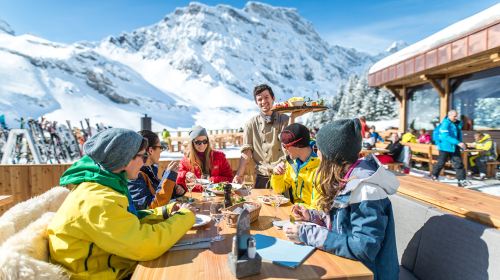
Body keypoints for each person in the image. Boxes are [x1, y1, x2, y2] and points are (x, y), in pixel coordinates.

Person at [47, 128, 195, 279]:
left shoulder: (103, 185)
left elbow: (128, 218)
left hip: (111, 266)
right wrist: (184, 217)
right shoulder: (98, 200)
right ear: (125, 159)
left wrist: (165, 212)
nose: (144, 162)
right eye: (143, 156)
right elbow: (143, 245)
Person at [284, 119, 399, 280]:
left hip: (368, 274)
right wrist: (313, 217)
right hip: (347, 268)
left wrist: (310, 235)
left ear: (332, 157)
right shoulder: (347, 181)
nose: (316, 153)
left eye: (318, 149)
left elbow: (364, 248)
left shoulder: (366, 190)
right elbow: (342, 223)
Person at [233, 84, 302, 188]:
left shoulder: (285, 120)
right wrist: (239, 174)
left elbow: (290, 147)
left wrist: (293, 117)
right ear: (256, 103)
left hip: (283, 175)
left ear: (273, 98)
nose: (263, 101)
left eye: (266, 97)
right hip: (262, 177)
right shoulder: (250, 124)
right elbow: (246, 152)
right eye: (260, 99)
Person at [128, 130, 186, 210]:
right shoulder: (134, 175)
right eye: (160, 147)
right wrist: (169, 177)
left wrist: (176, 191)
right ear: (151, 150)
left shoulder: (152, 169)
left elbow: (158, 194)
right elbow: (149, 209)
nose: (161, 151)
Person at [270, 123, 320, 209]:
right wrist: (278, 175)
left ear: (298, 145)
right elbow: (278, 189)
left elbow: (318, 207)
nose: (284, 150)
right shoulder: (292, 162)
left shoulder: (320, 166)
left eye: (285, 146)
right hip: (297, 210)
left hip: (312, 216)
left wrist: (299, 210)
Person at [177, 126, 233, 191]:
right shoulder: (186, 160)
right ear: (192, 143)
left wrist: (212, 180)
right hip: (197, 197)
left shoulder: (219, 157)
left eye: (204, 141)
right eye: (198, 142)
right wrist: (185, 174)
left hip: (217, 196)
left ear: (208, 141)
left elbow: (229, 178)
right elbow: (179, 180)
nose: (202, 145)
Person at [431, 110, 467, 187]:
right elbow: (445, 136)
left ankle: (461, 180)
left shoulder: (457, 123)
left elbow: (457, 135)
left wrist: (460, 143)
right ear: (449, 115)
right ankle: (434, 175)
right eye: (454, 116)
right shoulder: (445, 124)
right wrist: (458, 143)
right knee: (441, 163)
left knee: (459, 163)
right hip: (445, 147)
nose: (456, 117)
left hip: (455, 146)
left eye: (456, 116)